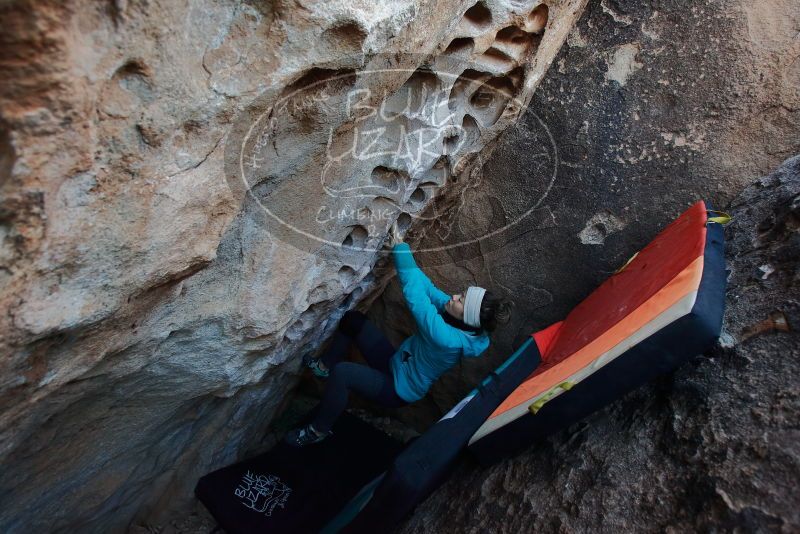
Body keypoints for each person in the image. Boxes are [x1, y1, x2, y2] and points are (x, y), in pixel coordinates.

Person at [285, 223, 512, 447]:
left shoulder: (448, 340)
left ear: (467, 317)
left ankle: (318, 430)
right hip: (396, 363)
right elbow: (428, 288)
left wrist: (400, 250)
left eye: (461, 300)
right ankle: (324, 367)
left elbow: (417, 299)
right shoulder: (461, 320)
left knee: (343, 374)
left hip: (399, 388)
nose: (453, 297)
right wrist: (402, 248)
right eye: (460, 294)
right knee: (353, 321)